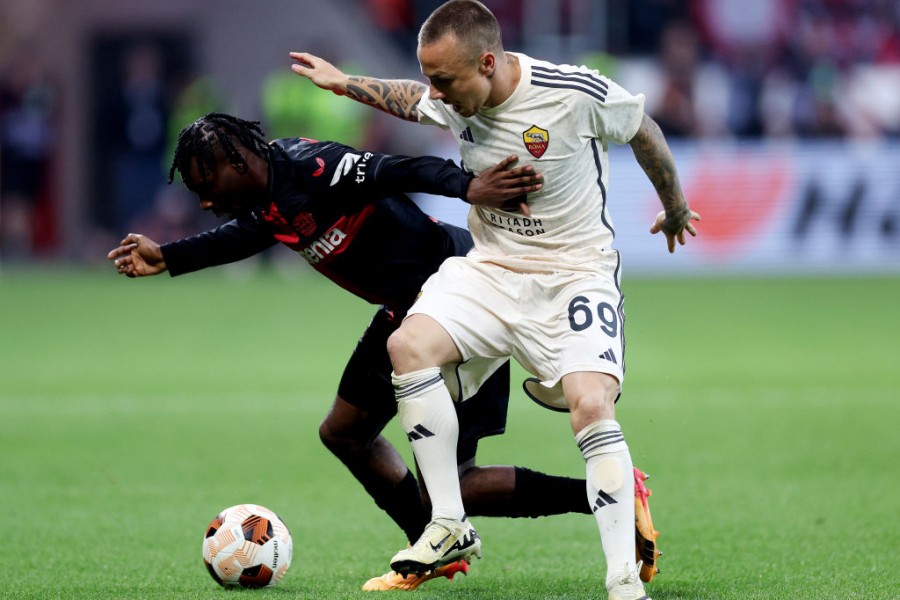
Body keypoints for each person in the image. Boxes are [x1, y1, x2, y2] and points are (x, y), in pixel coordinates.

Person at [290, 2, 699, 598]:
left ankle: (622, 580)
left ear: (487, 63)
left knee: (590, 404)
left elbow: (645, 132)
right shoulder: (457, 92)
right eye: (431, 78)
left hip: (573, 275)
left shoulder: (572, 92)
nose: (435, 93)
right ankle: (449, 524)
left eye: (445, 80)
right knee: (408, 346)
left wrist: (676, 205)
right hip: (490, 268)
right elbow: (409, 96)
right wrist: (344, 83)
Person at [107, 112, 605, 592]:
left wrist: (467, 186)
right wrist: (168, 257)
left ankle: (608, 493)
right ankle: (427, 545)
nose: (206, 202)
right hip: (403, 312)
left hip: (460, 300)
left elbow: (398, 169)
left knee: (458, 484)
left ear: (237, 165)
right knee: (344, 433)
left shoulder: (312, 167)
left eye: (205, 186)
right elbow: (245, 237)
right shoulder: (268, 203)